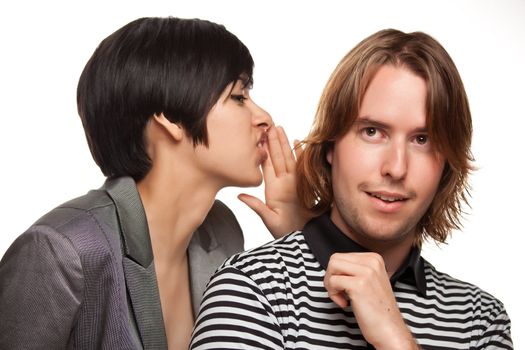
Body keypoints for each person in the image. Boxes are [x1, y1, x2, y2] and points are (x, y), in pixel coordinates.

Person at [190, 29, 514, 349]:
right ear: (331, 144)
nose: (396, 168)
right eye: (372, 131)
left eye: (422, 140)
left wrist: (396, 341)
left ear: (446, 164)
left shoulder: (480, 320)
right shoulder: (253, 288)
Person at [0, 17, 304, 349]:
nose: (264, 118)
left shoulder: (222, 233)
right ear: (170, 119)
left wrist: (294, 241)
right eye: (239, 96)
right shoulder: (61, 251)